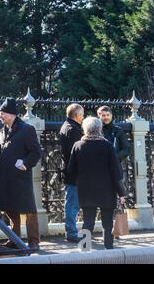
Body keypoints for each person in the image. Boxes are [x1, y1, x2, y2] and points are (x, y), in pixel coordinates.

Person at [67, 117, 126, 250]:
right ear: (99, 129)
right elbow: (115, 172)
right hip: (107, 190)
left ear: (85, 129)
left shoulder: (78, 146)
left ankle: (85, 249)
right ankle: (108, 248)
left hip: (86, 190)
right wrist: (121, 193)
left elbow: (71, 170)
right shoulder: (108, 146)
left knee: (87, 222)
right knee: (107, 222)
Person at [0, 98, 42, 250]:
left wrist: (25, 164)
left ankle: (34, 241)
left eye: (2, 114)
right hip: (5, 176)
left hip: (21, 177)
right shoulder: (3, 130)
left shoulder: (26, 129)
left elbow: (36, 152)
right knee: (10, 207)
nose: (0, 116)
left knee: (29, 209)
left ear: (12, 114)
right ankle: (14, 239)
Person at [59, 104, 84, 243]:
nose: (83, 117)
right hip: (74, 172)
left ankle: (72, 231)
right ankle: (71, 233)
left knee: (72, 203)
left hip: (71, 170)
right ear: (76, 116)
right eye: (82, 114)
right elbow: (77, 152)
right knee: (72, 204)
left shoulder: (67, 126)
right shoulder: (72, 130)